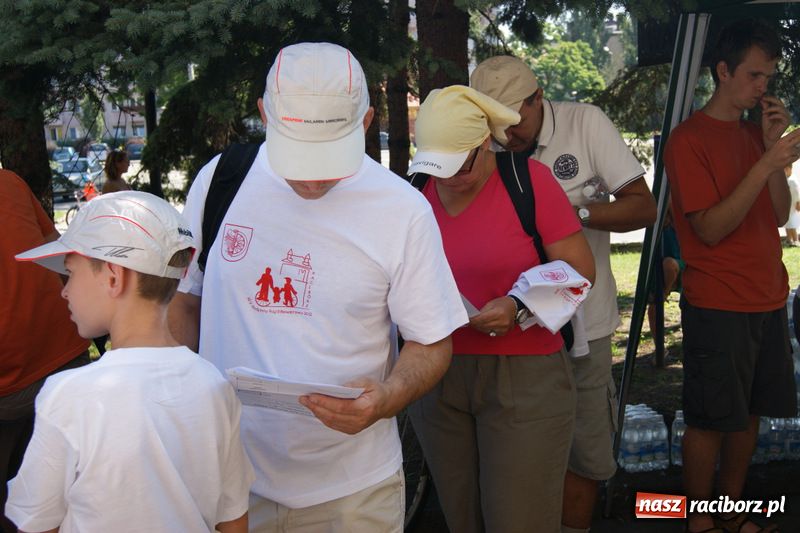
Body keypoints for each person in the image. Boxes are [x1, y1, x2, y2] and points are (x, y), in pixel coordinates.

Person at [168, 42, 468, 532]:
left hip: (353, 493)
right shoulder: (220, 181)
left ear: (366, 122)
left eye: (329, 158)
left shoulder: (402, 210)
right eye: (297, 157)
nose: (310, 182)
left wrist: (388, 397)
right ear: (265, 114)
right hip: (228, 484)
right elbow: (185, 304)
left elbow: (432, 341)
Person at [471, 55, 657, 532]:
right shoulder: (479, 142)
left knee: (584, 454)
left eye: (516, 121)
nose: (507, 136)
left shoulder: (584, 123)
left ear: (538, 98)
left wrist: (571, 217)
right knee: (513, 453)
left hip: (581, 329)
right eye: (496, 124)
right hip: (508, 330)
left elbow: (643, 207)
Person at [406, 85, 596, 532]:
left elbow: (579, 270)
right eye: (437, 164)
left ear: (484, 141)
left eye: (460, 162)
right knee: (462, 517)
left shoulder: (528, 181)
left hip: (524, 376)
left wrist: (518, 305)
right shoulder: (414, 190)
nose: (448, 176)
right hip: (436, 374)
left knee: (519, 519)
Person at [6, 191, 255, 533]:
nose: (64, 290)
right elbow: (233, 519)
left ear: (113, 277)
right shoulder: (214, 387)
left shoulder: (68, 395)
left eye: (70, 273)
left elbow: (37, 524)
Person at [663, 19, 800, 533]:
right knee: (709, 420)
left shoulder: (753, 134)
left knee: (748, 416)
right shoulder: (687, 140)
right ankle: (699, 524)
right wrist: (766, 163)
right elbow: (712, 228)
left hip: (766, 295)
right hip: (718, 301)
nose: (763, 86)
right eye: (754, 74)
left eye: (769, 76)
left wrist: (772, 157)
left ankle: (731, 514)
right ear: (722, 71)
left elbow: (782, 213)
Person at [0, 170, 91, 533]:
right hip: (65, 355)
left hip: (20, 378)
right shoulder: (10, 182)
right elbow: (56, 250)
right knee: (66, 494)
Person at [783, 164, 800, 246]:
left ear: (789, 168)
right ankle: (789, 239)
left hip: (792, 204)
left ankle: (795, 240)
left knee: (792, 223)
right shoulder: (788, 179)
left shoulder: (792, 180)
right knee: (788, 223)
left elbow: (797, 193)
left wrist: (798, 202)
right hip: (787, 204)